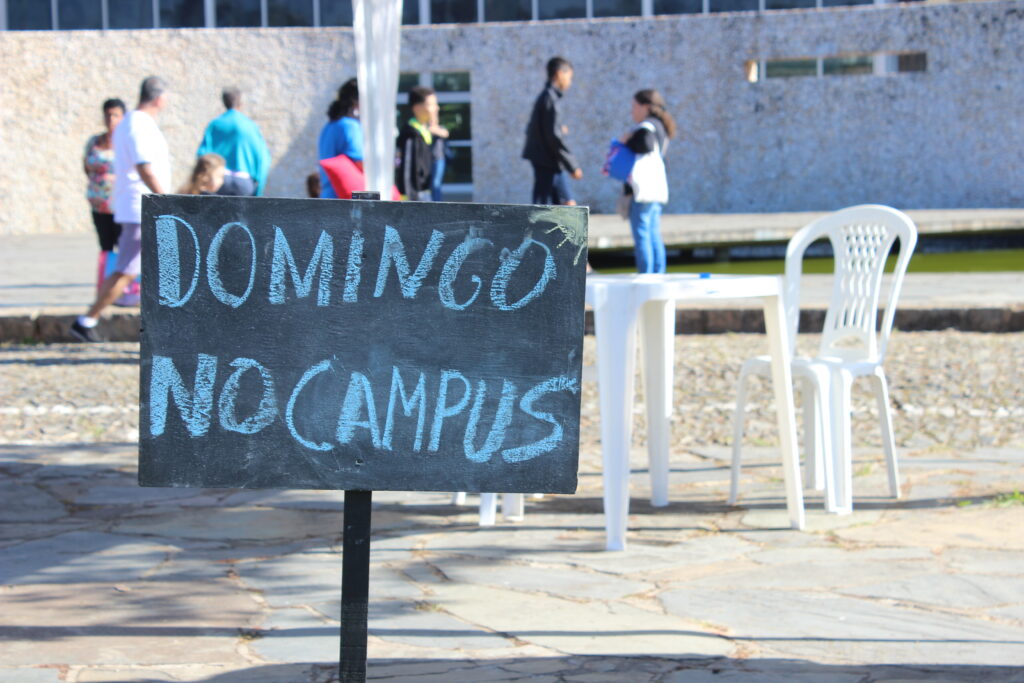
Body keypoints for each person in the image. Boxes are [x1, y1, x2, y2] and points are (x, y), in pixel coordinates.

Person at [70, 76, 171, 343]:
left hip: (141, 206)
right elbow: (144, 165)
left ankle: (93, 319)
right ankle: (87, 319)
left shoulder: (134, 123)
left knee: (144, 267)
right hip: (143, 207)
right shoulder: (138, 124)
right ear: (160, 98)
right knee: (126, 269)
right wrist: (166, 199)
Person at [620, 88, 676, 274]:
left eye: (634, 107)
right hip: (656, 188)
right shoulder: (660, 126)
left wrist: (627, 141)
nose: (632, 111)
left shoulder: (646, 128)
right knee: (653, 234)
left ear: (645, 106)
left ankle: (646, 278)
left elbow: (644, 145)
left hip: (643, 190)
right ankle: (658, 275)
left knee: (642, 234)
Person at [522, 56, 583, 206]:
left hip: (547, 161)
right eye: (569, 77)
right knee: (560, 206)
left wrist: (559, 130)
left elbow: (538, 128)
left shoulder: (546, 98)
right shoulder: (550, 99)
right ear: (559, 74)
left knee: (556, 206)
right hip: (548, 162)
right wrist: (572, 165)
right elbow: (554, 136)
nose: (570, 82)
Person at [82, 98, 126, 288]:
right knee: (105, 246)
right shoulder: (95, 141)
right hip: (100, 204)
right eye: (108, 115)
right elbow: (86, 166)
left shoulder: (125, 141)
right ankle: (105, 284)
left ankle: (123, 287)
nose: (111, 119)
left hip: (120, 204)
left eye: (115, 115)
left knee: (124, 247)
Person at [196, 87, 271, 196]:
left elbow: (203, 154)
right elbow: (264, 159)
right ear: (241, 103)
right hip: (244, 183)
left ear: (224, 102)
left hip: (219, 180)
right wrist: (259, 190)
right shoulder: (250, 126)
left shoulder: (215, 124)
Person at [317, 78, 362, 199]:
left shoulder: (329, 126)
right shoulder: (350, 126)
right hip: (345, 203)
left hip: (327, 198)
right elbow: (360, 164)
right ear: (356, 102)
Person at [396, 86, 438, 202]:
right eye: (431, 105)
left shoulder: (424, 131)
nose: (436, 108)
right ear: (417, 108)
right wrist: (412, 199)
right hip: (413, 197)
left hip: (424, 193)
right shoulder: (411, 134)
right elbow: (407, 171)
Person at [428, 107, 450, 201]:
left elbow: (445, 134)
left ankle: (436, 203)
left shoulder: (440, 128)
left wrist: (432, 129)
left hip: (439, 159)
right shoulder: (425, 129)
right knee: (429, 184)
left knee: (436, 183)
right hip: (428, 160)